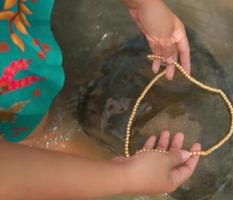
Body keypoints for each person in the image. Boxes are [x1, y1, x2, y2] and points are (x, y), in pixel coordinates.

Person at [0, 0, 200, 199]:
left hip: (18, 52)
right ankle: (29, 138)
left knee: (26, 118)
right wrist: (126, 177)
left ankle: (29, 132)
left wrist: (145, 4)